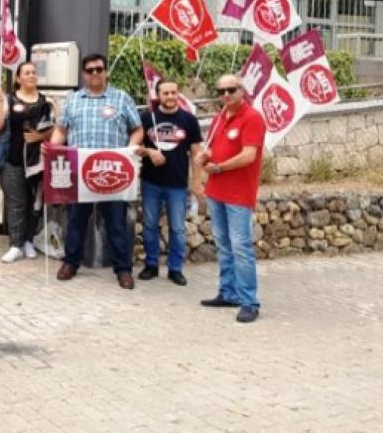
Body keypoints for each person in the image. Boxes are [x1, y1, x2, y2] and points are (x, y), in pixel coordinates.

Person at [51, 53, 143, 289]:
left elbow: (137, 130)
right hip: (80, 173)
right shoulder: (73, 100)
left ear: (105, 71)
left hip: (113, 173)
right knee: (75, 221)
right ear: (84, 74)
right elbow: (61, 131)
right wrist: (52, 148)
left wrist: (129, 150)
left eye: (99, 69)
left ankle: (123, 270)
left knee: (116, 224)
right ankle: (71, 262)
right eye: (90, 70)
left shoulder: (121, 98)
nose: (95, 73)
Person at [195, 74, 264, 323]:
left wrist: (220, 167)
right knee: (224, 245)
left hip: (238, 193)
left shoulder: (252, 118)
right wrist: (204, 156)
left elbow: (248, 156)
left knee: (241, 247)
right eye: (220, 91)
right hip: (217, 191)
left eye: (230, 90)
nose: (225, 95)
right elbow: (212, 147)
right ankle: (228, 292)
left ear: (242, 92)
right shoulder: (218, 118)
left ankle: (249, 301)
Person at [137, 78, 203, 286]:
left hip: (177, 184)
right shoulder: (147, 118)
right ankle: (151, 265)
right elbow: (134, 148)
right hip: (151, 182)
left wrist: (197, 181)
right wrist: (149, 152)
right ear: (158, 95)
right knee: (149, 226)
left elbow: (196, 152)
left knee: (177, 228)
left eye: (174, 92)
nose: (170, 97)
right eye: (166, 93)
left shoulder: (189, 120)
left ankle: (175, 269)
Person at [0, 62, 54, 263]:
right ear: (18, 78)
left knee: (35, 203)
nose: (31, 75)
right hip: (14, 160)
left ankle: (29, 240)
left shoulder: (47, 101)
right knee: (16, 203)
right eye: (26, 73)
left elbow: (58, 129)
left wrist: (38, 137)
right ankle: (16, 244)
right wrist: (0, 102)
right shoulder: (9, 99)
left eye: (34, 72)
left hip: (39, 162)